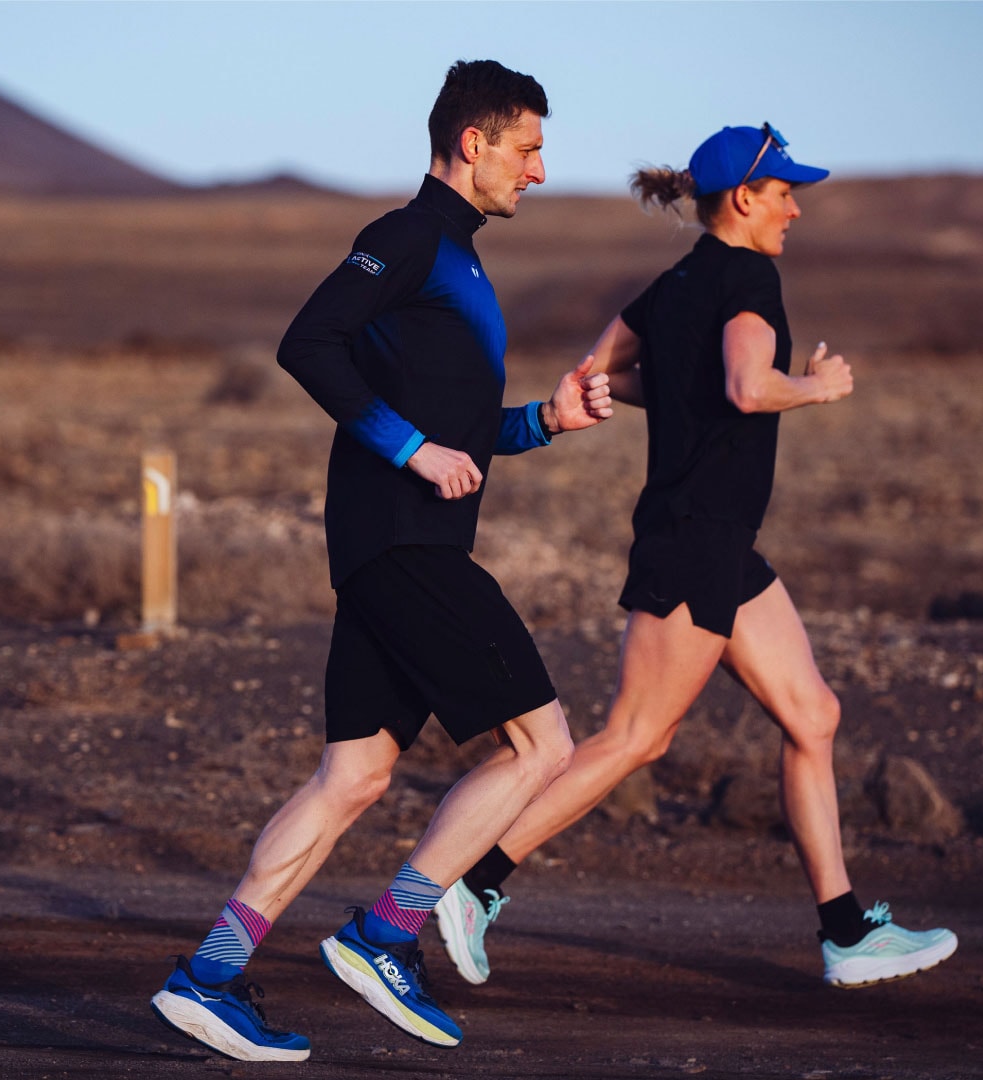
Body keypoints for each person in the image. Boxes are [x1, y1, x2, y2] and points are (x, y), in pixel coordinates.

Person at [149, 59, 613, 1061]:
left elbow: (457, 430)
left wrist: (545, 420)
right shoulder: (406, 239)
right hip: (404, 548)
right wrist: (408, 449)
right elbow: (307, 343)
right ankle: (385, 935)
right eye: (527, 149)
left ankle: (209, 975)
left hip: (394, 548)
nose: (539, 169)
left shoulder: (462, 259)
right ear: (474, 143)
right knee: (543, 748)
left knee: (354, 776)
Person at [434, 123, 958, 991]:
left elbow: (595, 374)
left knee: (814, 716)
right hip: (695, 540)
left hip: (719, 543)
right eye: (785, 191)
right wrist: (815, 388)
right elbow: (751, 387)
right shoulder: (751, 275)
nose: (795, 207)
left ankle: (845, 931)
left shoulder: (673, 286)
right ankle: (473, 882)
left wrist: (671, 394)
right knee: (638, 736)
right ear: (744, 198)